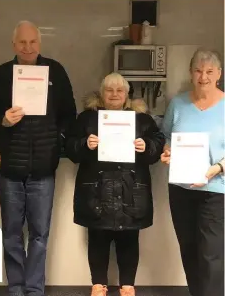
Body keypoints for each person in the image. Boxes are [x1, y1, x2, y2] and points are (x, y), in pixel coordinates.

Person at [0, 20, 76, 296]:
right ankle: (15, 289)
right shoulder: (0, 75)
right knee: (11, 234)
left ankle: (34, 290)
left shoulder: (55, 71)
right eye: (22, 42)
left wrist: (58, 139)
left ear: (40, 43)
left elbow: (69, 114)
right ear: (13, 45)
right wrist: (3, 121)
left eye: (32, 41)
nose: (28, 47)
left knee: (39, 235)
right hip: (9, 168)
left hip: (44, 169)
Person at [65, 73, 165, 296]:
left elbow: (158, 143)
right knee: (98, 237)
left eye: (120, 90)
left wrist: (146, 145)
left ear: (127, 95)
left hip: (131, 189)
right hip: (96, 189)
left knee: (129, 237)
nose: (114, 94)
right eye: (109, 90)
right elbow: (69, 146)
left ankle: (127, 286)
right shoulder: (86, 119)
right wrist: (85, 144)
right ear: (101, 93)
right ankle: (98, 284)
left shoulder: (142, 119)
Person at [160, 48, 224, 296]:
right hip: (181, 190)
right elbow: (166, 136)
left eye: (209, 71)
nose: (203, 76)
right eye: (198, 70)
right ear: (191, 73)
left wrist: (216, 168)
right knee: (189, 250)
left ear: (218, 74)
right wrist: (167, 151)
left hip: (216, 190)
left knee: (211, 256)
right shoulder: (178, 104)